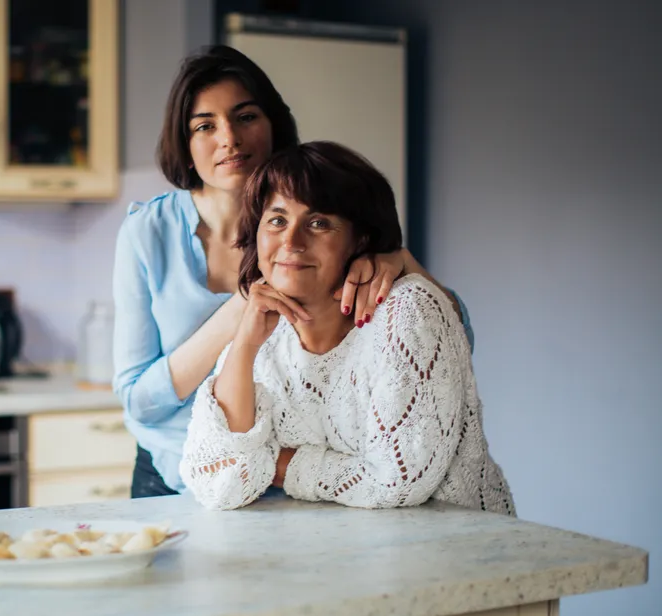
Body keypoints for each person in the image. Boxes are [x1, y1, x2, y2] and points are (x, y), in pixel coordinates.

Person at [113, 45, 476, 499]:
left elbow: (447, 345)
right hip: (180, 474)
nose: (229, 138)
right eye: (205, 125)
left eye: (245, 117)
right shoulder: (148, 232)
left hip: (306, 477)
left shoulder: (324, 218)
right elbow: (138, 402)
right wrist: (243, 312)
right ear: (184, 145)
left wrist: (404, 264)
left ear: (273, 127)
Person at [180, 141, 515, 515]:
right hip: (342, 553)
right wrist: (243, 345)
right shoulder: (264, 336)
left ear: (362, 238)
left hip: (460, 553)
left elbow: (398, 483)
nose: (291, 241)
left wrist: (278, 463)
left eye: (319, 223)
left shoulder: (407, 310)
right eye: (277, 220)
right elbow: (216, 482)